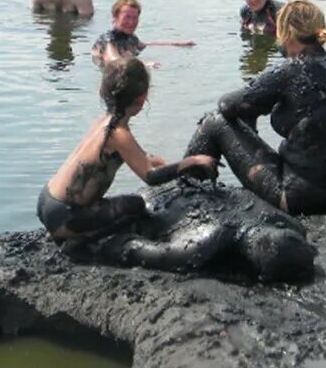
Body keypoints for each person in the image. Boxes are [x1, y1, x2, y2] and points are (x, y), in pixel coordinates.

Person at [183, 0, 326, 214]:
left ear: (285, 33)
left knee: (213, 122)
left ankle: (183, 195)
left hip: (303, 198)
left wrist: (258, 108)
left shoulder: (291, 70)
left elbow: (227, 104)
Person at [37, 58, 218, 242]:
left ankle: (62, 231)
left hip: (46, 200)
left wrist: (154, 159)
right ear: (142, 97)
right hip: (67, 215)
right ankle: (78, 241)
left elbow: (131, 154)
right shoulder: (118, 133)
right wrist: (192, 161)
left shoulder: (103, 122)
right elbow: (151, 177)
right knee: (135, 205)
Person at [92, 0, 196, 68]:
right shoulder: (107, 40)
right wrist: (144, 64)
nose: (131, 22)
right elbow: (113, 60)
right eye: (127, 17)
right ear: (115, 18)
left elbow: (145, 45)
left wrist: (177, 44)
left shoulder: (129, 37)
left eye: (135, 18)